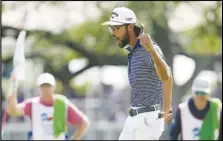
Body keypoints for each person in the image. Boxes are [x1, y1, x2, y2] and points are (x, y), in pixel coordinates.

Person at [102, 7, 173, 140]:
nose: (113, 33)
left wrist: (152, 51)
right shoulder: (133, 50)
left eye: (116, 28)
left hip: (147, 119)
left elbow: (166, 76)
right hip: (135, 117)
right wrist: (168, 107)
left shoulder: (147, 49)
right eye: (111, 28)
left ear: (129, 27)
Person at [6, 72, 89, 140]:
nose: (45, 89)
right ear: (38, 87)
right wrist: (13, 87)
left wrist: (75, 139)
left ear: (54, 87)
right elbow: (13, 110)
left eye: (48, 85)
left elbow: (84, 123)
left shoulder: (62, 103)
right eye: (42, 86)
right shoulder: (32, 104)